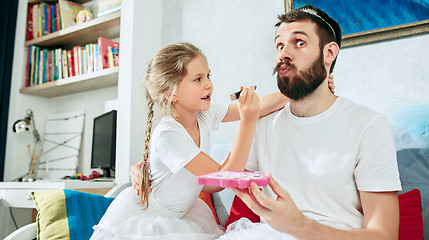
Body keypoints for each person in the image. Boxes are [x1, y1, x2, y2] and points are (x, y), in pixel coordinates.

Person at [217, 4, 402, 240]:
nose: (283, 53)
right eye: (279, 45)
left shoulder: (369, 125)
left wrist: (300, 226)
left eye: (299, 42)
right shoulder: (262, 124)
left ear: (329, 53)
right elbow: (223, 179)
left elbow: (385, 235)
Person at [91, 42, 295, 240]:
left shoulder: (203, 114)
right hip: (154, 220)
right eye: (197, 79)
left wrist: (296, 93)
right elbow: (221, 180)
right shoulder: (168, 135)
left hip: (184, 213)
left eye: (208, 75)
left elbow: (260, 105)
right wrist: (248, 122)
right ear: (170, 93)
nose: (208, 84)